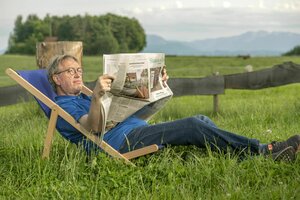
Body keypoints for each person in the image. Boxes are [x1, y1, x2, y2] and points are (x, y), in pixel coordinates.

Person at [47, 54, 300, 162]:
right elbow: (92, 127)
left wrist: (155, 86)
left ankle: (238, 153)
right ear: (56, 78)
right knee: (193, 125)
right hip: (117, 143)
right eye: (70, 71)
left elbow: (129, 114)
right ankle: (263, 150)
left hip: (133, 130)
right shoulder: (61, 107)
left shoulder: (82, 95)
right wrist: (96, 99)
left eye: (79, 70)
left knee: (199, 119)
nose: (78, 74)